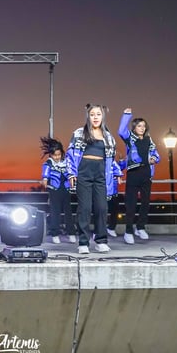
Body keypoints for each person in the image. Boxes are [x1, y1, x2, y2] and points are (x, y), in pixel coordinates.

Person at [67, 104, 117, 254]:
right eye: (92, 114)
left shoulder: (108, 137)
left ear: (103, 117)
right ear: (88, 117)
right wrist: (71, 173)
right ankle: (83, 242)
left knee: (102, 207)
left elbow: (111, 160)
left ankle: (101, 241)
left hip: (101, 174)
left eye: (98, 114)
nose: (95, 117)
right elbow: (70, 154)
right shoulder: (79, 133)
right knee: (85, 208)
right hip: (84, 172)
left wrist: (114, 176)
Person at [118, 108, 160, 242]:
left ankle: (140, 227)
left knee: (145, 202)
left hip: (146, 173)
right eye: (139, 126)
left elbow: (155, 153)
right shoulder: (130, 138)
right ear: (134, 127)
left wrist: (154, 158)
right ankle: (128, 231)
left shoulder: (148, 139)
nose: (142, 128)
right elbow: (121, 131)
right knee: (131, 204)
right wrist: (127, 115)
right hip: (133, 173)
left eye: (144, 126)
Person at [40, 137, 77, 244]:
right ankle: (55, 234)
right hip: (54, 190)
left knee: (68, 212)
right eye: (54, 155)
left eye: (59, 155)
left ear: (62, 153)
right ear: (51, 155)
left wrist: (72, 179)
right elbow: (46, 171)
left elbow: (70, 172)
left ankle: (71, 233)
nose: (57, 157)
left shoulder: (65, 162)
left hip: (65, 190)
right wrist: (45, 178)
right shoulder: (49, 163)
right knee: (55, 212)